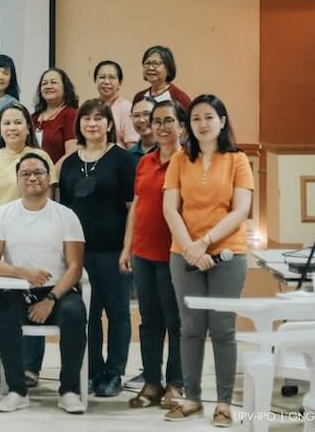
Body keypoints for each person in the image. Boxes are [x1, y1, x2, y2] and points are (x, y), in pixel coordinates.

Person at [162, 95, 252, 426]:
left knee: (223, 329)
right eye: (196, 118)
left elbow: (240, 210)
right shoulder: (179, 159)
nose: (202, 123)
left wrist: (204, 243)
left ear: (222, 122)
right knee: (191, 328)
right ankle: (193, 398)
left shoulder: (238, 160)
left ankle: (225, 402)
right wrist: (189, 248)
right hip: (184, 253)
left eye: (209, 117)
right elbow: (170, 208)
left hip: (228, 252)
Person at [0, 152, 88, 414]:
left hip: (59, 290)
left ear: (48, 177)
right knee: (4, 314)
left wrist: (51, 299)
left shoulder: (66, 216)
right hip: (18, 288)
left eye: (39, 172)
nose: (32, 178)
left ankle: (69, 390)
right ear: (17, 180)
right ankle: (17, 390)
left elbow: (75, 267)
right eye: (25, 174)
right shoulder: (2, 215)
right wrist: (23, 273)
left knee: (75, 313)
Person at [57, 99, 136, 398]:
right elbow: (64, 210)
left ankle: (114, 373)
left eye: (99, 118)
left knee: (117, 314)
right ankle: (91, 371)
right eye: (86, 119)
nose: (92, 123)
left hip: (114, 250)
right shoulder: (70, 163)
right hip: (79, 254)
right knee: (86, 316)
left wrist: (127, 248)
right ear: (79, 125)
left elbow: (133, 209)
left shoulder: (123, 159)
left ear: (109, 124)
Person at [119, 100, 186, 409]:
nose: (160, 126)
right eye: (156, 121)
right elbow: (137, 206)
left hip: (175, 254)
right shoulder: (145, 162)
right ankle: (151, 381)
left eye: (168, 120)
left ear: (181, 126)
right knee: (149, 321)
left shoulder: (189, 163)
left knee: (176, 322)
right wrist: (127, 247)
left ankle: (176, 383)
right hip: (143, 252)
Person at [0, 102, 57, 218]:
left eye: (18, 122)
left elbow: (48, 199)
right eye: (7, 123)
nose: (12, 128)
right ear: (0, 130)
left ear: (28, 128)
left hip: (31, 224)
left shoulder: (40, 157)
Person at [32, 68, 79, 165]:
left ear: (65, 87)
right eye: (44, 83)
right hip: (33, 176)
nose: (48, 86)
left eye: (53, 82)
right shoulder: (33, 117)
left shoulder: (71, 114)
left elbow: (71, 154)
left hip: (58, 176)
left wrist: (52, 175)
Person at [94, 60, 138, 149]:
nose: (106, 81)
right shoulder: (91, 107)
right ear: (95, 80)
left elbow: (132, 147)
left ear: (120, 82)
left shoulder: (127, 108)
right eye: (102, 77)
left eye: (112, 77)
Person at [133, 45, 190, 111]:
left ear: (168, 68)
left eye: (156, 63)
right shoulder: (139, 97)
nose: (150, 68)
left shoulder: (179, 98)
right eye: (147, 63)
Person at [127, 97, 158, 165]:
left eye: (147, 114)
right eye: (136, 115)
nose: (141, 120)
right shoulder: (128, 155)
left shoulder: (169, 149)